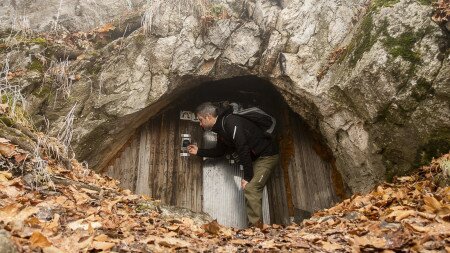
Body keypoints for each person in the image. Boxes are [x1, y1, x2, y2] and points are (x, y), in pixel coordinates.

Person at [187, 102, 279, 228]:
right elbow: (220, 151)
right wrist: (199, 151)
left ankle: (256, 230)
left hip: (267, 156)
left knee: (251, 188)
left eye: (201, 120)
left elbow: (243, 148)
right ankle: (256, 228)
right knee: (250, 188)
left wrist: (247, 177)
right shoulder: (221, 130)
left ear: (208, 116)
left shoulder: (231, 122)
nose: (200, 123)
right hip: (256, 159)